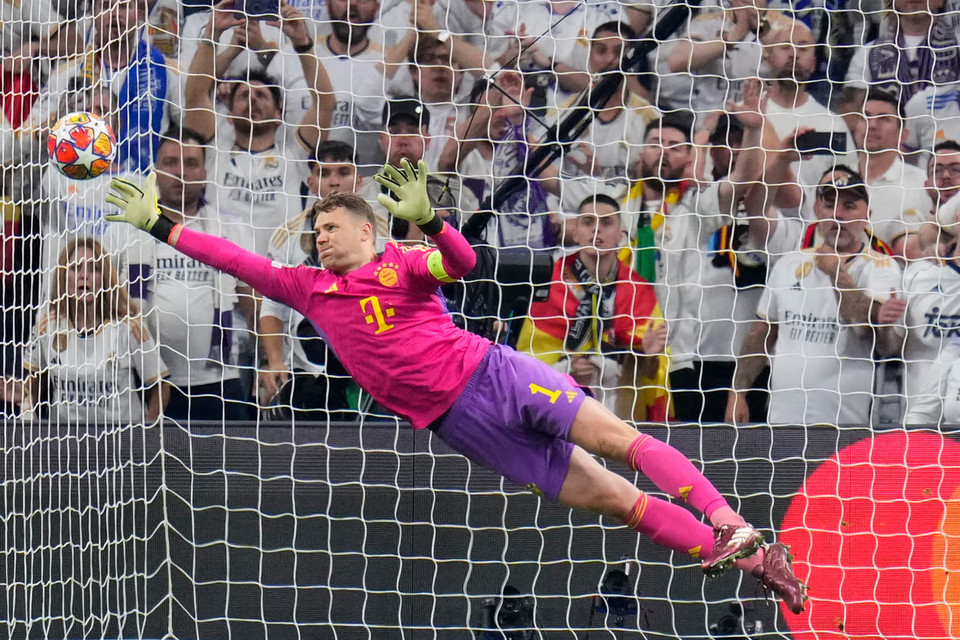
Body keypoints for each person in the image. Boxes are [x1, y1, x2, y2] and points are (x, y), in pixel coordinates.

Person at [103, 159, 807, 614]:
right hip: (461, 424)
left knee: (622, 442)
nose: (318, 237)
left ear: (368, 231)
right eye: (314, 228)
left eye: (330, 226)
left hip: (496, 374)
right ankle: (749, 560)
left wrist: (432, 219)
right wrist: (161, 225)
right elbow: (233, 256)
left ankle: (728, 520)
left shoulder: (403, 264)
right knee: (620, 504)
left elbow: (462, 261)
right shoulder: (310, 291)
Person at [727, 167, 903, 427]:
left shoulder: (882, 266)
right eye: (830, 205)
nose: (838, 215)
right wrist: (737, 393)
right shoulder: (789, 263)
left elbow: (864, 327)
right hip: (783, 417)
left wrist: (835, 272)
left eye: (849, 206)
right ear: (818, 212)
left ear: (867, 216)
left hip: (847, 422)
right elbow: (762, 333)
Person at [105, 130, 256, 423]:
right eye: (171, 162)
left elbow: (251, 298)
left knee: (229, 465)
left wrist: (264, 357)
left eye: (190, 163)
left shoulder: (232, 229)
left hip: (218, 378)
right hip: (143, 378)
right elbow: (108, 302)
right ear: (156, 170)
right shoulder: (124, 231)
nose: (181, 172)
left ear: (205, 171)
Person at [516, 194, 669, 421]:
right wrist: (567, 370)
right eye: (588, 222)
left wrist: (647, 356)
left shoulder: (638, 290)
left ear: (621, 235)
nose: (596, 230)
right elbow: (529, 365)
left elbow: (651, 376)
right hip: (559, 409)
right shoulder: (550, 283)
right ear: (575, 232)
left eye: (606, 223)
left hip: (620, 412)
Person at [6, 237, 169, 423]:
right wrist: (25, 396)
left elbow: (161, 388)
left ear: (105, 278)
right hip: (65, 441)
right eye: (76, 269)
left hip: (121, 443)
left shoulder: (129, 328)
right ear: (64, 277)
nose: (85, 276)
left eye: (94, 269)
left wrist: (146, 436)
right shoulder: (47, 327)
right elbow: (34, 383)